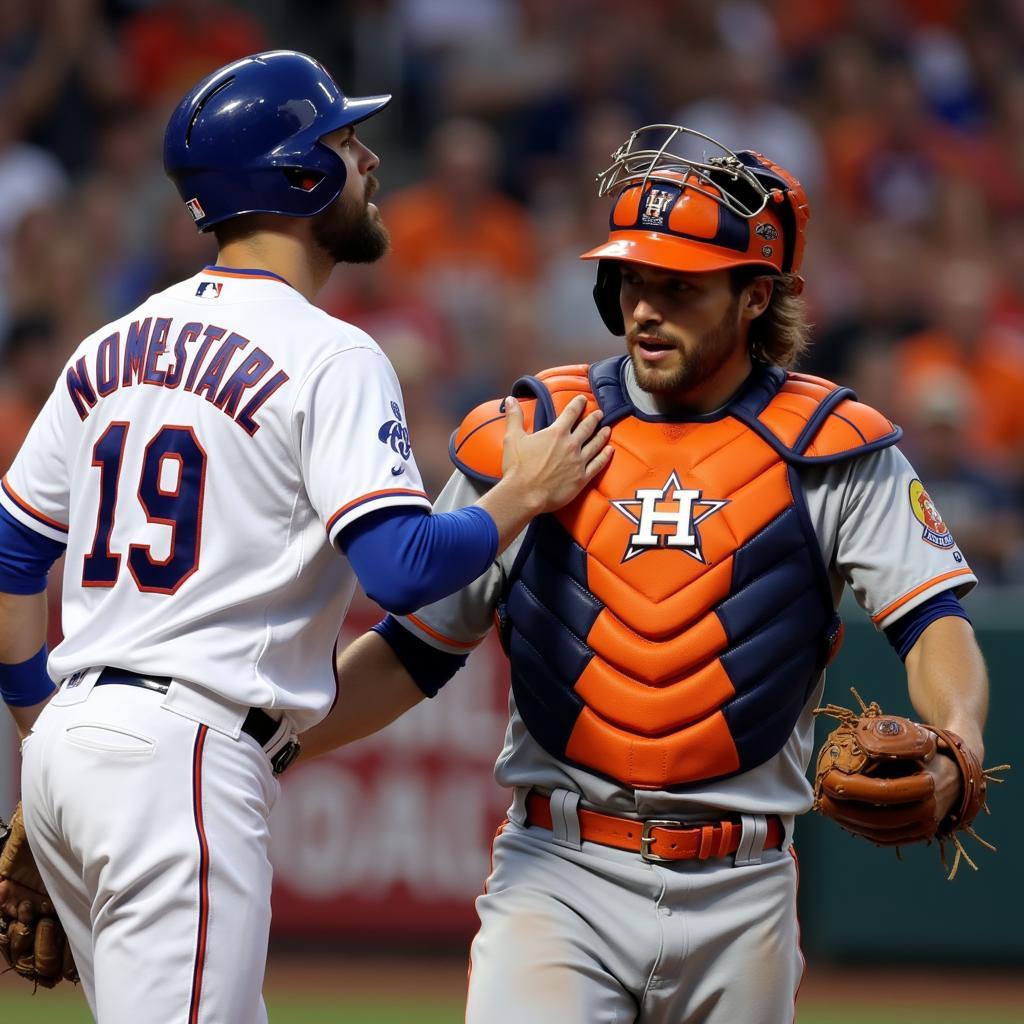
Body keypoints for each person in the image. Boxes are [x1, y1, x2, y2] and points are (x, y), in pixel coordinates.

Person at [302, 124, 991, 1023]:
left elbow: (933, 621)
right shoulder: (537, 431)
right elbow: (413, 653)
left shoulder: (833, 446)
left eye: (680, 286)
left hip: (743, 891)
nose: (645, 309)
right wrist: (262, 746)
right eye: (631, 279)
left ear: (755, 297)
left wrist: (959, 740)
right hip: (559, 874)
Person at [0, 50, 610, 1021]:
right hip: (180, 759)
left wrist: (44, 727)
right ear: (298, 176)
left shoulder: (111, 343)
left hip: (81, 746)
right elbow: (403, 567)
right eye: (345, 142)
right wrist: (519, 495)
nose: (368, 161)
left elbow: (13, 548)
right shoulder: (329, 351)